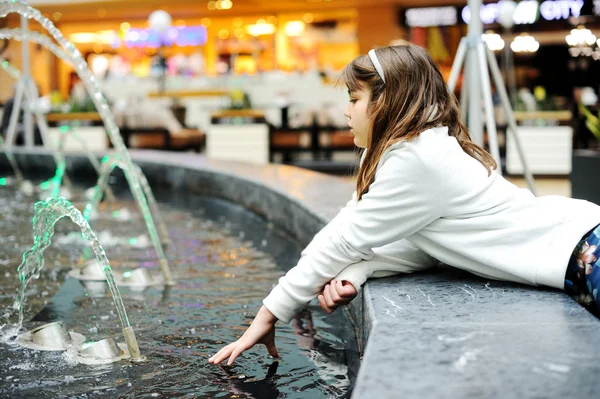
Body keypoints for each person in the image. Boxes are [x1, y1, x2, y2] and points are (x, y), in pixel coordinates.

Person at [208, 43, 600, 366]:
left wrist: (269, 313)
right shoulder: (407, 150)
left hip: (586, 251)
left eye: (354, 98)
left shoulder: (417, 159)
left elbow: (345, 239)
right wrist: (358, 272)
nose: (346, 111)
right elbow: (417, 245)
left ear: (387, 100)